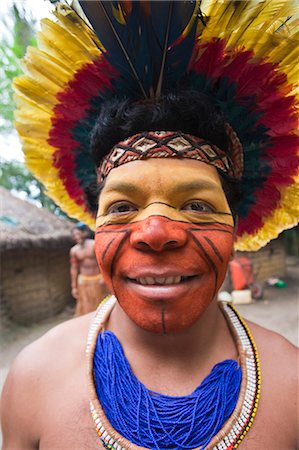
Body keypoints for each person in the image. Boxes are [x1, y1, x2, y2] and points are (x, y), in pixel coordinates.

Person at [1, 2, 298, 449]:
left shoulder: (293, 385)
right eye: (122, 208)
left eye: (197, 205)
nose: (156, 232)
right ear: (95, 226)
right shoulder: (32, 379)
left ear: (236, 230)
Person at [70, 223, 109, 316]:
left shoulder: (94, 244)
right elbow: (74, 268)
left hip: (98, 280)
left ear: (84, 233)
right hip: (84, 281)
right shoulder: (74, 251)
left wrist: (104, 277)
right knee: (85, 305)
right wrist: (74, 287)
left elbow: (102, 261)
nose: (77, 237)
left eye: (78, 234)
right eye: (74, 235)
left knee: (101, 304)